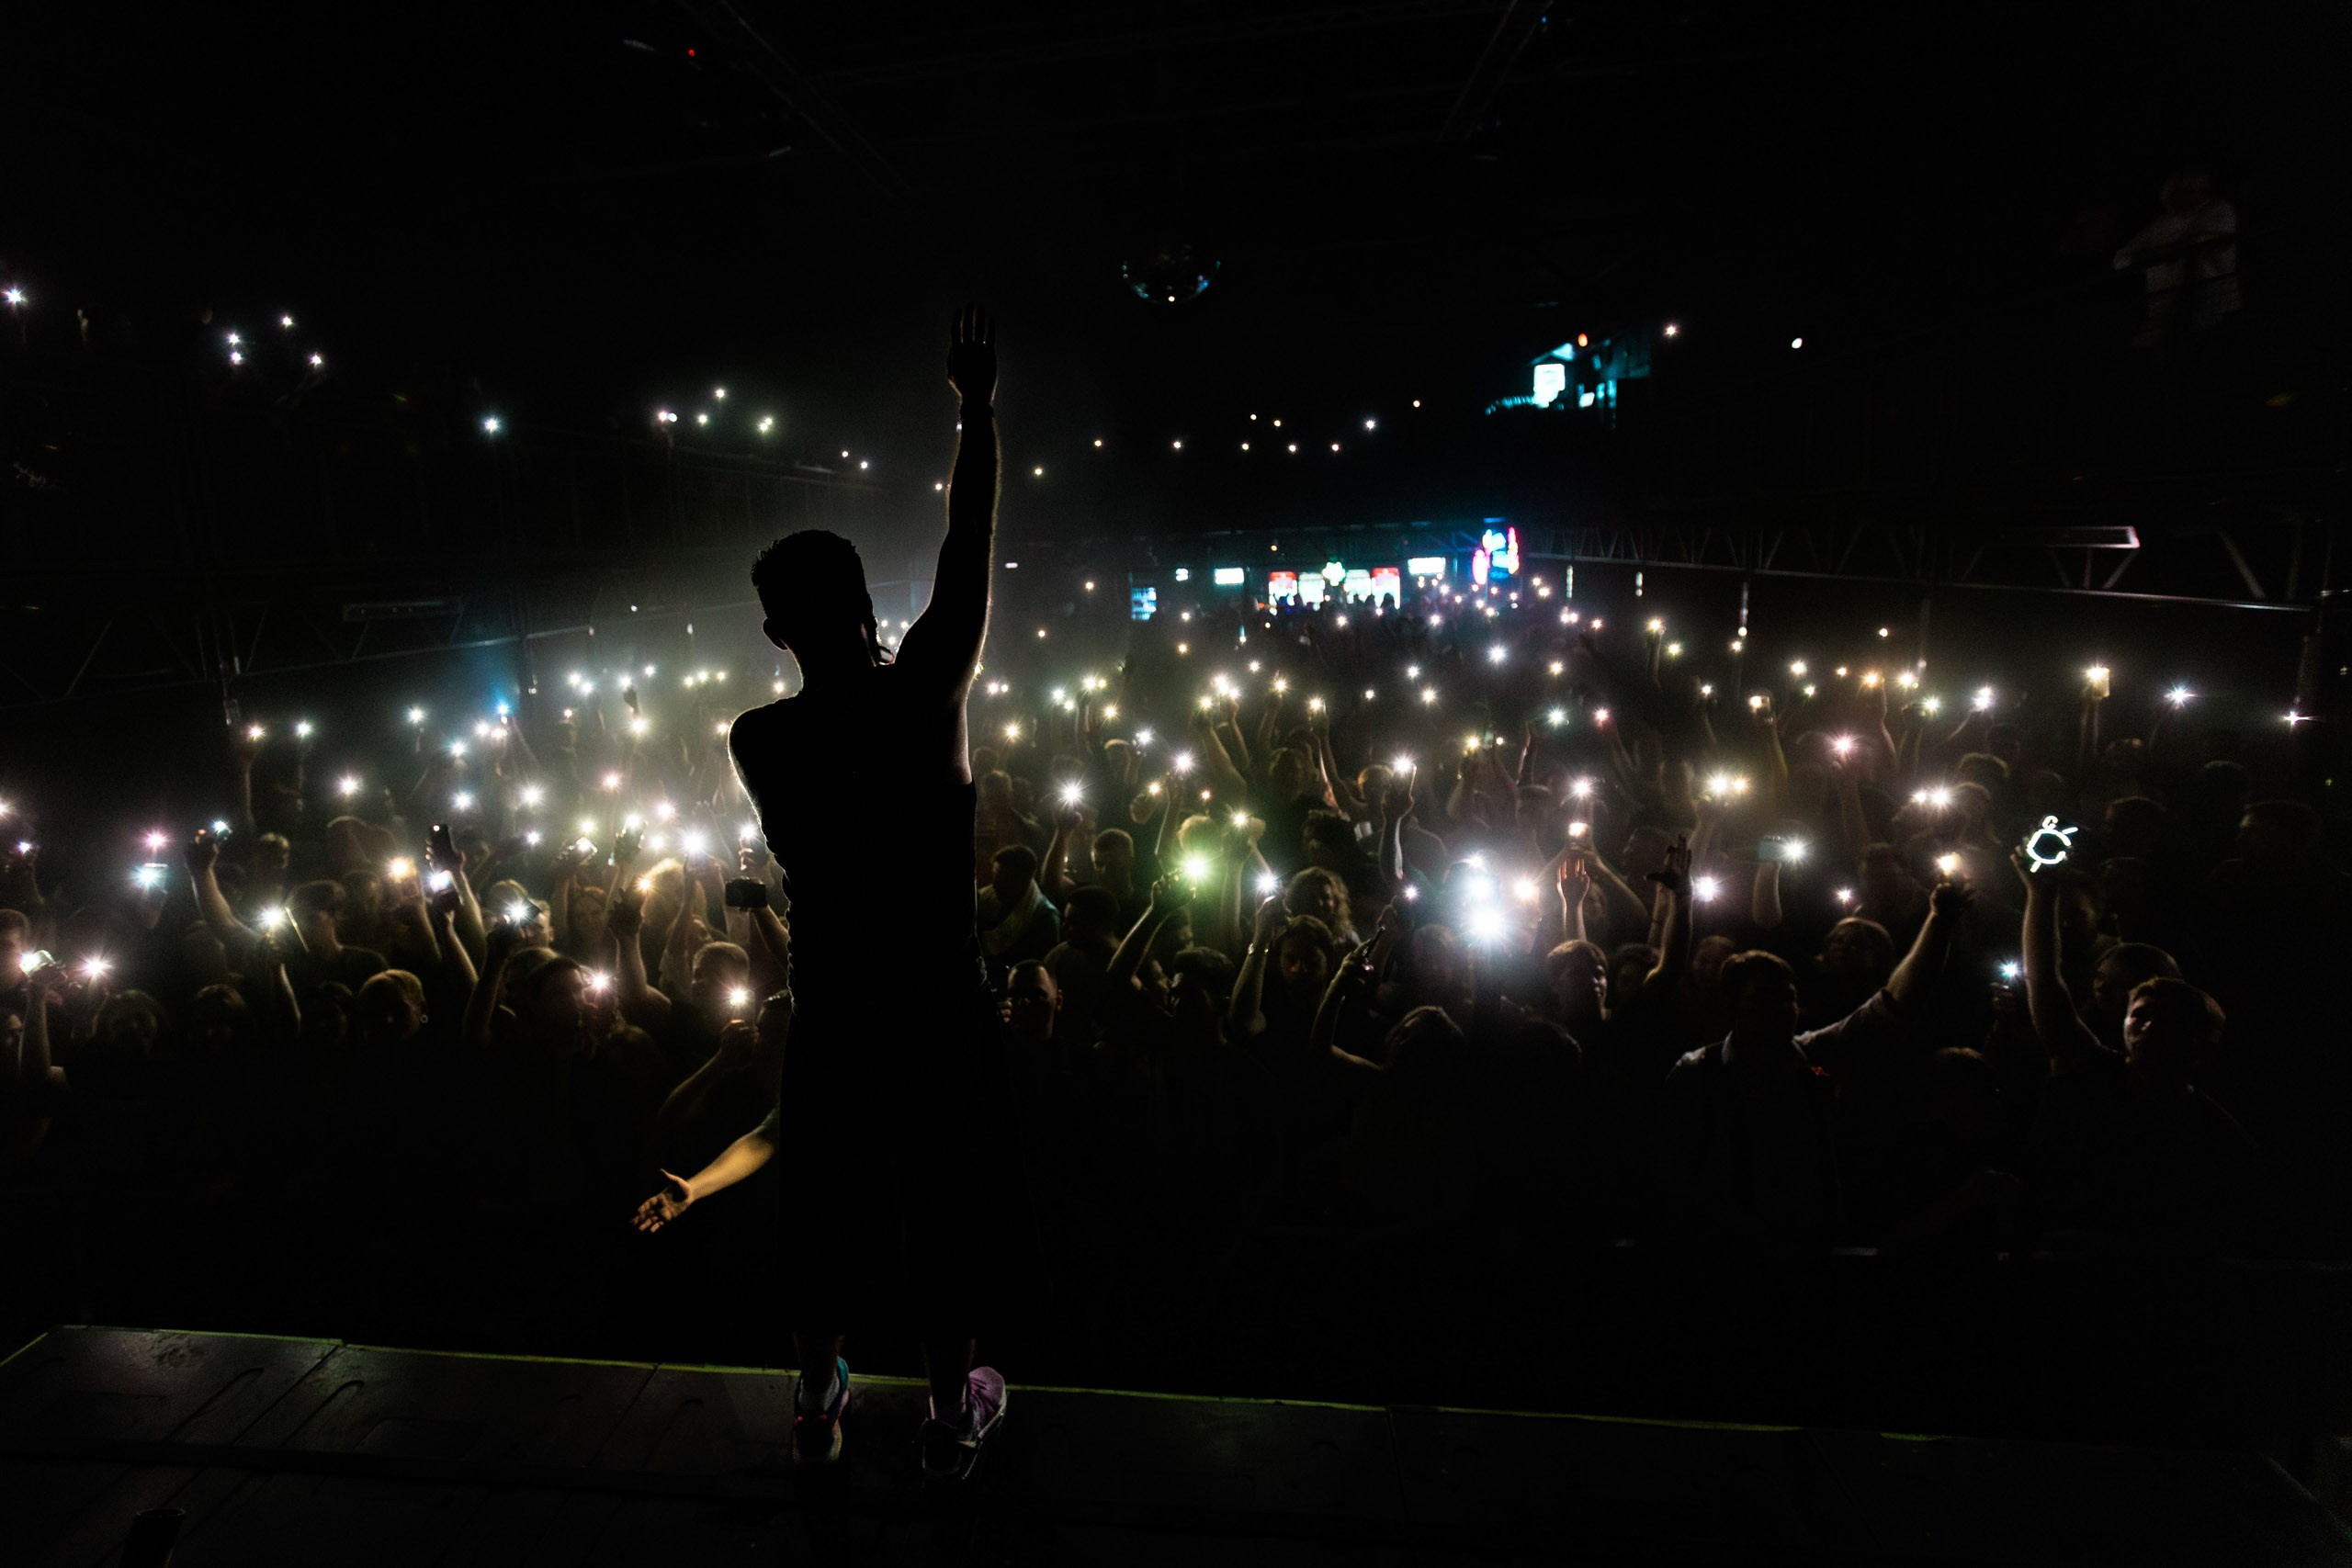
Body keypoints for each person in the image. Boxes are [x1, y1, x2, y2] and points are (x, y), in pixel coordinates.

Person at [633, 306, 1011, 1483]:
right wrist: (976, 409)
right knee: (939, 1194)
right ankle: (952, 1415)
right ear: (866, 604)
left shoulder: (759, 740)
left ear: (772, 631)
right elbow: (969, 541)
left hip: (835, 1001)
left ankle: (814, 1399)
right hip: (937, 998)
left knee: (827, 1199)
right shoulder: (926, 698)